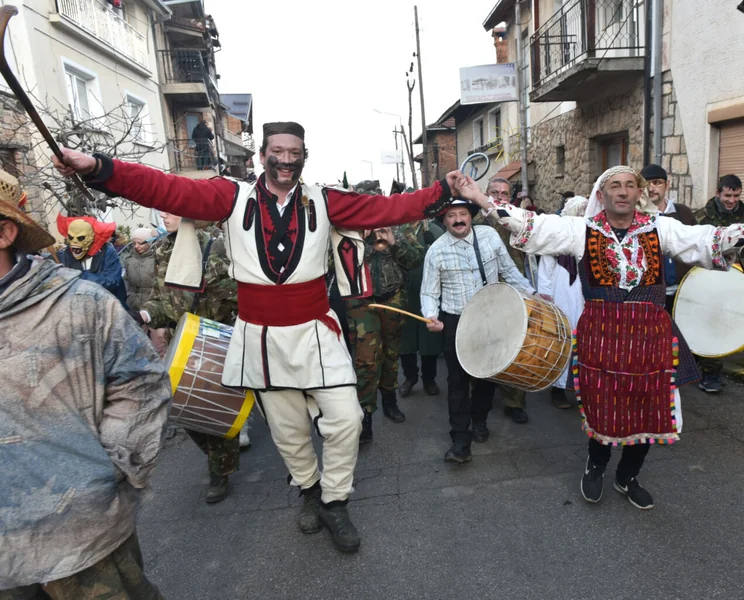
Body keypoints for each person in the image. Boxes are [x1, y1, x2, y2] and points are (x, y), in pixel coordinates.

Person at [52, 121, 461, 554]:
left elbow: (388, 209)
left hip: (315, 331)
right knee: (288, 433)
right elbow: (164, 189)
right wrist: (97, 166)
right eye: (278, 151)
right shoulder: (230, 196)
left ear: (305, 156)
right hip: (260, 337)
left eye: (294, 152)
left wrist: (441, 190)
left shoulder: (326, 200)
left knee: (347, 419)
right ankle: (310, 493)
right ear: (262, 154)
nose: (286, 160)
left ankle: (335, 499)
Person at [455, 166, 744, 509]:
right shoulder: (581, 230)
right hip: (603, 334)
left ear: (638, 192)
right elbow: (534, 226)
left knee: (649, 409)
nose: (624, 191)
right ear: (602, 194)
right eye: (615, 185)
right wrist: (479, 197)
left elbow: (707, 240)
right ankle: (596, 466)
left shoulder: (661, 228)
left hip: (650, 336)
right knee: (604, 407)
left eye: (630, 185)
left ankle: (628, 476)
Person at [0, 169, 170, 597]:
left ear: (4, 232)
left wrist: (101, 476)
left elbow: (141, 385)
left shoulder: (81, 305)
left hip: (79, 536)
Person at [137, 211, 242, 502]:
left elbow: (238, 291)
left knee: (214, 409)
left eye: (171, 209)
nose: (163, 215)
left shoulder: (214, 245)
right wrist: (146, 313)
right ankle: (219, 455)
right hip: (179, 341)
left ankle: (220, 472)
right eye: (161, 210)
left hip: (212, 340)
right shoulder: (162, 249)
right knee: (185, 413)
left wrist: (210, 287)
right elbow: (162, 298)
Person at [421, 199, 535, 464]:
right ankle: (460, 439)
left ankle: (480, 420)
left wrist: (533, 293)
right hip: (456, 322)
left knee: (487, 376)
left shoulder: (490, 236)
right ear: (444, 220)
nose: (458, 219)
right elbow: (429, 291)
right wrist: (431, 315)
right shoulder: (436, 251)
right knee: (457, 381)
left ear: (471, 216)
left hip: (490, 317)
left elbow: (509, 271)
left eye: (463, 214)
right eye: (451, 215)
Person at [345, 180, 427, 443]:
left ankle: (390, 402)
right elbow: (330, 264)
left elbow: (416, 259)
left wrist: (394, 242)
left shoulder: (398, 225)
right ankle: (366, 414)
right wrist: (363, 240)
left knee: (391, 354)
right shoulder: (347, 230)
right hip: (361, 302)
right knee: (367, 360)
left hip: (393, 299)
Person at [692, 174, 744, 393]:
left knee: (720, 323)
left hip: (733, 280)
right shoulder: (700, 217)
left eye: (736, 195)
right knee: (706, 323)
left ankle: (711, 370)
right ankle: (707, 370)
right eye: (727, 195)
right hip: (704, 280)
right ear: (718, 193)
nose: (732, 200)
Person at [485, 176, 530, 425]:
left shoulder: (520, 219)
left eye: (504, 193)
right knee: (485, 342)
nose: (500, 196)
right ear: (486, 193)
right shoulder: (476, 220)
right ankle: (482, 393)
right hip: (484, 291)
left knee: (515, 346)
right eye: (495, 192)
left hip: (515, 289)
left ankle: (514, 402)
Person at [536, 195, 587, 409]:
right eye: (580, 212)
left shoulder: (591, 238)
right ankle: (557, 390)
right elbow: (545, 270)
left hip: (584, 295)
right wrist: (546, 295)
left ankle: (584, 390)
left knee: (585, 343)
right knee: (562, 340)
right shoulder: (557, 240)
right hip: (561, 294)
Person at [641, 164, 698, 313]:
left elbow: (697, 246)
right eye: (646, 184)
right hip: (650, 297)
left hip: (684, 293)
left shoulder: (683, 213)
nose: (651, 188)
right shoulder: (636, 218)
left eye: (657, 182)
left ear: (667, 185)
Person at [398, 218, 445, 398]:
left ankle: (429, 379)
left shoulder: (433, 230)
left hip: (430, 292)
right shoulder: (398, 231)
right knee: (406, 340)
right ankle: (410, 378)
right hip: (404, 293)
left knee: (429, 340)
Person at [56, 214, 128, 307]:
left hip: (107, 307)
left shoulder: (107, 252)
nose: (74, 242)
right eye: (71, 237)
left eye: (80, 238)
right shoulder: (66, 254)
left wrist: (81, 276)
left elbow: (112, 281)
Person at [121, 226, 156, 312]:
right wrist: (127, 296)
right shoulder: (129, 259)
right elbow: (126, 280)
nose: (136, 246)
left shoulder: (156, 259)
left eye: (140, 243)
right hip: (132, 304)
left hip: (151, 305)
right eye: (134, 243)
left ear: (149, 243)